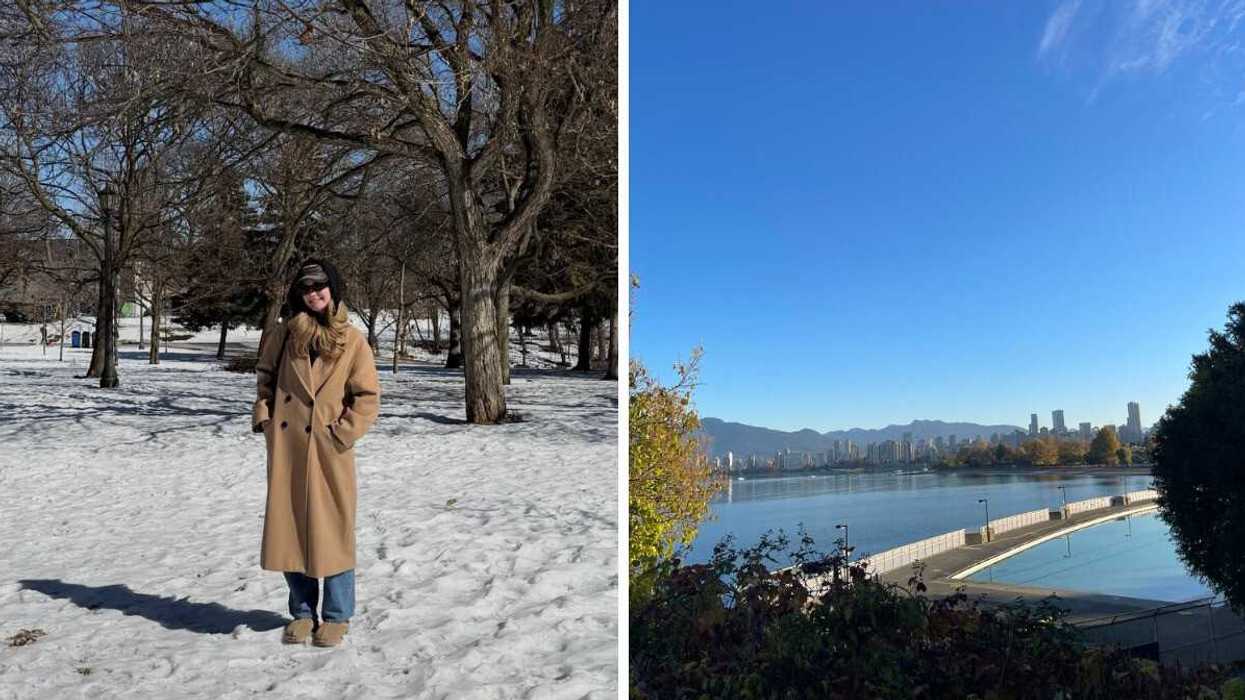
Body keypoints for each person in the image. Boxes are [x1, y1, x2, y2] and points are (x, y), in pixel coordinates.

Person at [252, 259, 380, 647]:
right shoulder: (284, 333)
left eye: (320, 285)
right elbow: (266, 379)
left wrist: (341, 434)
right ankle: (303, 613)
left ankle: (338, 615)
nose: (314, 293)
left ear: (333, 288)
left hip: (329, 450)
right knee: (292, 531)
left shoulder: (353, 339)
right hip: (289, 447)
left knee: (333, 532)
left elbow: (367, 397)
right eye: (306, 288)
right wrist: (265, 419)